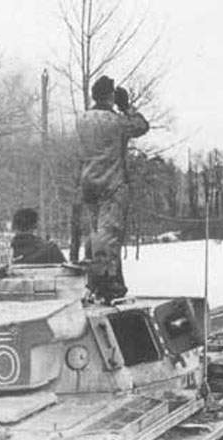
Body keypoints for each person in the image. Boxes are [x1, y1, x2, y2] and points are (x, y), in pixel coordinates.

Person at [77, 75, 149, 301]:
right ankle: (107, 285)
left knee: (95, 234)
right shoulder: (116, 122)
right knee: (110, 235)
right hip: (113, 183)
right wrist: (126, 106)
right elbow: (141, 126)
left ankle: (98, 282)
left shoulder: (82, 119)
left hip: (88, 182)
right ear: (110, 96)